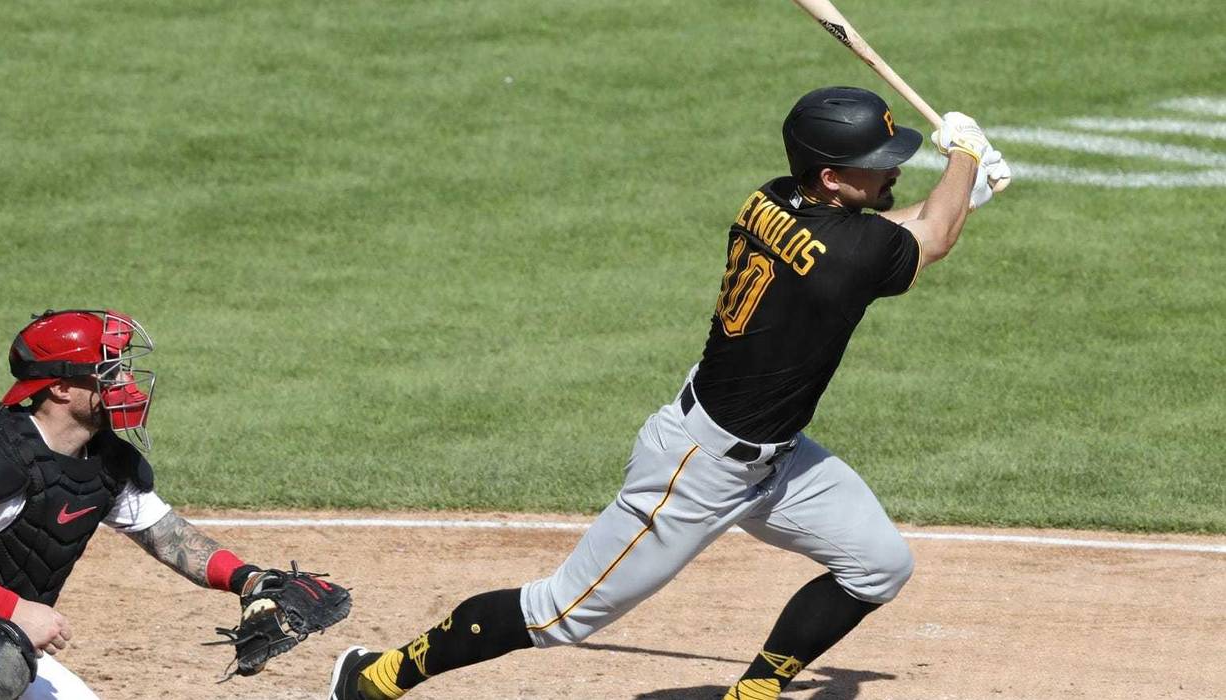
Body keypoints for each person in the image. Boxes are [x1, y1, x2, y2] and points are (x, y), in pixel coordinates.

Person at [326, 86, 1011, 700]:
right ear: (831, 177)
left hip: (774, 459)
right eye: (880, 159)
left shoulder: (777, 196)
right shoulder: (846, 249)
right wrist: (963, 159)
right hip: (696, 469)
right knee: (559, 613)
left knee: (877, 566)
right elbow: (927, 240)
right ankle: (375, 678)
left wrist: (965, 192)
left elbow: (896, 232)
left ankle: (752, 695)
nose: (893, 167)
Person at [0, 309, 336, 699]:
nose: (126, 382)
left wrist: (248, 579)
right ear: (62, 388)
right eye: (109, 372)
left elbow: (167, 535)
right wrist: (15, 610)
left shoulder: (102, 464)